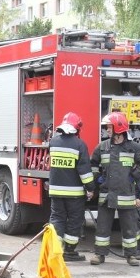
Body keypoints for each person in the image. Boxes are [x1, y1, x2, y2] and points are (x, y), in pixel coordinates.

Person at [90, 112, 140, 267]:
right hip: (107, 194)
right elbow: (93, 164)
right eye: (107, 127)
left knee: (129, 227)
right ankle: (100, 254)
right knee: (103, 227)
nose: (107, 130)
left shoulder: (133, 147)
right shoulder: (103, 147)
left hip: (126, 194)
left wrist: (135, 176)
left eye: (110, 127)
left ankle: (131, 255)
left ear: (118, 128)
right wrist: (98, 178)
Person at [48, 112, 95, 262]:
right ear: (77, 128)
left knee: (57, 219)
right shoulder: (79, 145)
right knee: (75, 221)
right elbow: (84, 171)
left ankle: (54, 251)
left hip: (55, 191)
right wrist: (90, 188)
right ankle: (69, 252)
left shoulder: (53, 142)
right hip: (74, 194)